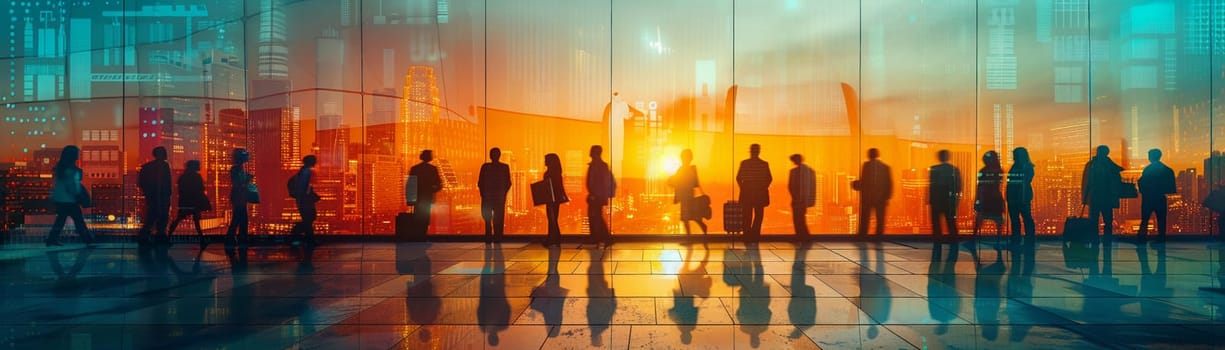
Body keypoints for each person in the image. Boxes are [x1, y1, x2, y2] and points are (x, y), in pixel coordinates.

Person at [46, 146, 94, 247]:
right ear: (73, 155)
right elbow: (73, 187)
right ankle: (88, 240)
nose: (78, 155)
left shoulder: (60, 168)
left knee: (61, 220)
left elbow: (58, 185)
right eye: (77, 153)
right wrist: (79, 195)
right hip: (69, 200)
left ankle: (52, 239)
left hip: (60, 199)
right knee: (78, 221)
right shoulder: (71, 170)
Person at [1082, 145, 1123, 242]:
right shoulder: (1111, 165)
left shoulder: (1091, 165)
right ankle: (1107, 239)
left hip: (1095, 197)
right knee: (1108, 221)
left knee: (1094, 221)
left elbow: (1086, 182)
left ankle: (1094, 239)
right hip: (1107, 198)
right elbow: (1117, 180)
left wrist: (1085, 198)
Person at [168, 160, 210, 248]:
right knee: (196, 221)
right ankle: (202, 240)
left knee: (178, 219)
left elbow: (180, 190)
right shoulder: (197, 177)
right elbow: (201, 189)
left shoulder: (183, 177)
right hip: (195, 202)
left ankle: (168, 237)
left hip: (185, 202)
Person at [1138, 148, 1176, 243]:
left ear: (1151, 157)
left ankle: (1142, 238)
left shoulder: (1148, 169)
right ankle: (1161, 238)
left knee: (1145, 219)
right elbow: (1171, 187)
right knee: (1161, 219)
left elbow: (1142, 183)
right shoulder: (1167, 170)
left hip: (1148, 198)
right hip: (1160, 198)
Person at [736, 144, 772, 240]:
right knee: (759, 215)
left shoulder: (744, 163)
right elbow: (769, 178)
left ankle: (747, 235)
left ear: (750, 151)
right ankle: (755, 235)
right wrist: (763, 187)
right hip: (759, 193)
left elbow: (738, 178)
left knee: (746, 215)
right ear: (758, 151)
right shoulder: (764, 164)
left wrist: (743, 187)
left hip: (747, 192)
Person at [138, 146, 173, 245]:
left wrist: (148, 193)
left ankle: (144, 237)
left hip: (152, 196)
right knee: (162, 218)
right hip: (163, 196)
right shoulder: (165, 166)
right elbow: (167, 183)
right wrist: (168, 195)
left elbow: (141, 182)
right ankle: (160, 238)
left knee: (151, 217)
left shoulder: (147, 167)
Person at [669, 149, 707, 237]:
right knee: (690, 216)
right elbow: (696, 183)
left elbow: (677, 181)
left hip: (686, 195)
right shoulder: (690, 169)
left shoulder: (684, 169)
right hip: (688, 195)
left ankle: (689, 236)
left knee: (687, 216)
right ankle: (692, 234)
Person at [856, 148, 893, 236]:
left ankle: (863, 236)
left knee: (865, 219)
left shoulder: (866, 165)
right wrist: (887, 197)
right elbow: (889, 183)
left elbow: (864, 182)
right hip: (881, 199)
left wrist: (856, 185)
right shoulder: (885, 167)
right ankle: (878, 237)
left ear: (869, 155)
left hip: (868, 198)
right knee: (880, 220)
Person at [478, 148, 512, 244]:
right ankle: (498, 238)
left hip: (488, 198)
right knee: (498, 219)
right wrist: (503, 193)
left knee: (488, 220)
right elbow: (508, 183)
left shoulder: (485, 167)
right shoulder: (504, 167)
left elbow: (480, 182)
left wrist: (483, 195)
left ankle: (489, 238)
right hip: (498, 198)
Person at [585, 145, 615, 246]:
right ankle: (602, 238)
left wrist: (594, 194)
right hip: (597, 195)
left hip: (596, 196)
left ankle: (601, 238)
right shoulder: (600, 165)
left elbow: (598, 182)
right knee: (596, 216)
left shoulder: (598, 166)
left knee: (595, 216)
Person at [928, 150, 961, 241]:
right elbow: (958, 186)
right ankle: (953, 240)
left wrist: (930, 200)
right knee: (950, 222)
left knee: (936, 224)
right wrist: (956, 199)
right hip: (948, 199)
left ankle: (937, 240)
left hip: (937, 198)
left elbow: (932, 186)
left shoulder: (934, 169)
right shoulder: (953, 169)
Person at [1006, 147, 1036, 247]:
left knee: (1024, 219)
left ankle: (1024, 240)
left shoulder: (1024, 167)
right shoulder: (1021, 166)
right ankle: (1021, 240)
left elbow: (1023, 181)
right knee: (1018, 219)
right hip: (1016, 197)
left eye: (1015, 154)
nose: (1013, 157)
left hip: (1021, 197)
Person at [973, 151, 1006, 242]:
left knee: (979, 220)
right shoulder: (999, 171)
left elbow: (980, 187)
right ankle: (998, 241)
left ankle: (973, 239)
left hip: (986, 198)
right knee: (998, 221)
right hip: (996, 198)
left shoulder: (983, 171)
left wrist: (977, 200)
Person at [409, 150, 443, 237]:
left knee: (418, 218)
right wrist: (431, 191)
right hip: (427, 198)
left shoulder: (415, 169)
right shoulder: (433, 169)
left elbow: (410, 185)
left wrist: (410, 200)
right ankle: (423, 235)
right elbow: (439, 184)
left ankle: (418, 236)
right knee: (425, 218)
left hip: (417, 199)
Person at [290, 155, 321, 246]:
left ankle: (308, 239)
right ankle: (297, 232)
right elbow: (304, 188)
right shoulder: (306, 172)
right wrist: (309, 197)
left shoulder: (303, 171)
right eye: (314, 160)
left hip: (303, 200)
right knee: (309, 218)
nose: (316, 162)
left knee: (309, 219)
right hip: (305, 200)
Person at [226, 148, 254, 246]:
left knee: (239, 218)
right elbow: (237, 183)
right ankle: (238, 239)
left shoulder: (237, 168)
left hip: (239, 196)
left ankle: (234, 238)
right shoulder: (237, 169)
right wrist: (247, 179)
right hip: (239, 197)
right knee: (240, 218)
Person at [788, 154, 816, 237]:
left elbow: (790, 186)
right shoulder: (809, 171)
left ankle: (802, 236)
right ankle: (803, 236)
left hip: (797, 200)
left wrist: (794, 197)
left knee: (797, 220)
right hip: (802, 200)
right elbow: (812, 186)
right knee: (800, 219)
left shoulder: (793, 172)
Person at [542, 153, 566, 246]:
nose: (545, 161)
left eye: (546, 159)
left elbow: (549, 186)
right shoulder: (556, 173)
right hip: (555, 199)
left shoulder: (549, 173)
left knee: (552, 218)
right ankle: (554, 238)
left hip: (551, 199)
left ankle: (554, 238)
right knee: (553, 218)